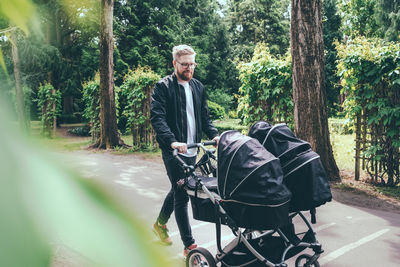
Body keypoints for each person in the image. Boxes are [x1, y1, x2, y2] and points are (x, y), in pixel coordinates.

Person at [150, 44, 219, 257]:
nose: (189, 68)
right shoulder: (163, 87)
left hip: (192, 149)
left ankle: (160, 224)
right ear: (174, 64)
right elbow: (157, 118)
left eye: (192, 64)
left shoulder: (198, 87)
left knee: (179, 186)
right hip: (174, 151)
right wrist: (171, 141)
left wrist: (214, 135)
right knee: (183, 194)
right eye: (184, 65)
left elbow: (204, 117)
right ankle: (189, 246)